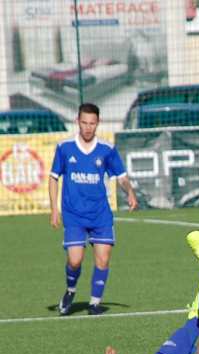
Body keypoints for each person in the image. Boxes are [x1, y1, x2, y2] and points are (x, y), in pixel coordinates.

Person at [49, 102, 138, 316]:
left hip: (100, 215)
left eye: (92, 123)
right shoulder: (65, 148)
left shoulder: (106, 150)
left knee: (103, 259)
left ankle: (95, 303)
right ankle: (70, 291)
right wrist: (54, 209)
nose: (88, 127)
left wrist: (130, 191)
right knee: (75, 260)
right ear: (77, 122)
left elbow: (121, 177)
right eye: (84, 123)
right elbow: (53, 178)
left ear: (98, 123)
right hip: (74, 215)